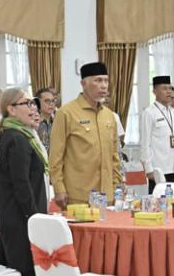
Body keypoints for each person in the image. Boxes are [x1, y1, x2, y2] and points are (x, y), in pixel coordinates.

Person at [0, 88, 48, 276]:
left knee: (20, 270)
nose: (32, 107)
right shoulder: (17, 139)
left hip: (16, 215)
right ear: (11, 109)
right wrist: (34, 217)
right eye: (26, 103)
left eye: (32, 103)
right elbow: (21, 184)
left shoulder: (21, 135)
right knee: (23, 272)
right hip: (20, 217)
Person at [49, 61, 122, 207]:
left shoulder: (109, 116)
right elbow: (55, 156)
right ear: (84, 83)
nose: (104, 85)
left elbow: (114, 155)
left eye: (106, 80)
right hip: (78, 195)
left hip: (107, 195)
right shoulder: (66, 113)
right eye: (98, 80)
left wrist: (118, 185)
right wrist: (59, 188)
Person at [140, 76, 174, 194]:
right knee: (158, 206)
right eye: (164, 88)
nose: (168, 91)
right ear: (154, 91)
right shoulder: (149, 113)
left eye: (170, 88)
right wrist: (148, 169)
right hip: (158, 170)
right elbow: (145, 144)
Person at [35, 87, 57, 151]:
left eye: (53, 101)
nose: (51, 104)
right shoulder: (33, 123)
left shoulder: (57, 122)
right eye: (47, 101)